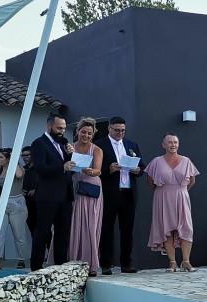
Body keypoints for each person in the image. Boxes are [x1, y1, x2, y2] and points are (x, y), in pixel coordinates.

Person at [28, 114, 76, 271]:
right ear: (49, 127)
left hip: (65, 195)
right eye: (59, 128)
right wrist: (62, 167)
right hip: (47, 196)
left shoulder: (63, 144)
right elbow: (40, 169)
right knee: (43, 231)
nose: (62, 131)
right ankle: (36, 267)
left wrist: (71, 156)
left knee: (63, 232)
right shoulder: (39, 144)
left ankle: (61, 267)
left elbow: (70, 171)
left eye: (63, 128)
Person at [146, 133, 199, 272]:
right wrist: (163, 191)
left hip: (181, 195)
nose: (173, 145)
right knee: (167, 229)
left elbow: (192, 181)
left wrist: (181, 191)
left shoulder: (186, 161)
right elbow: (150, 181)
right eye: (169, 142)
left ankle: (186, 261)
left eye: (175, 142)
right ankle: (172, 262)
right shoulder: (156, 161)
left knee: (186, 228)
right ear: (163, 145)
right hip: (162, 196)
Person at [99, 116, 144, 275]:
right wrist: (108, 169)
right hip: (109, 193)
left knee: (127, 230)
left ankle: (127, 263)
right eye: (117, 130)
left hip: (128, 193)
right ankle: (106, 264)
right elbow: (96, 169)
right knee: (107, 229)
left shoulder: (132, 144)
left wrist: (138, 170)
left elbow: (141, 167)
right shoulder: (100, 145)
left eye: (123, 130)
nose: (120, 133)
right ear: (109, 128)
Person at [68, 118, 104, 276]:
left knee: (90, 225)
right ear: (77, 132)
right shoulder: (70, 147)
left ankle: (91, 264)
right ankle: (71, 260)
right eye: (83, 132)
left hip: (90, 188)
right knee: (71, 223)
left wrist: (90, 171)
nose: (86, 135)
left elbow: (98, 170)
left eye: (90, 133)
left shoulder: (96, 150)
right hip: (73, 186)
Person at [0, 148, 30, 269]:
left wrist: (13, 160)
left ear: (8, 159)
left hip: (16, 202)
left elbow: (19, 175)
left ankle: (21, 259)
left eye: (1, 157)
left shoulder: (17, 168)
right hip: (1, 202)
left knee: (19, 234)